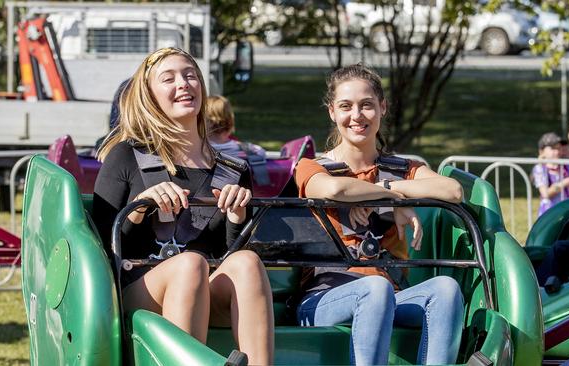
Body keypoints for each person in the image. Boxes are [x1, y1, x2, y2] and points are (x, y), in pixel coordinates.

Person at [93, 47, 273, 364]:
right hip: (139, 287)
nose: (184, 84)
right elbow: (101, 245)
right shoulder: (126, 156)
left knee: (246, 262)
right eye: (169, 78)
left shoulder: (233, 170)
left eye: (190, 75)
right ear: (149, 94)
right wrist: (138, 207)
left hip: (205, 286)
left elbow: (228, 253)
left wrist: (236, 217)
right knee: (190, 264)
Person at [294, 64, 465, 365]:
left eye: (367, 105)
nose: (357, 116)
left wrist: (389, 186)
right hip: (324, 297)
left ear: (382, 108)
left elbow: (452, 191)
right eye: (346, 106)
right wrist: (392, 198)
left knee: (445, 289)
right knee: (375, 289)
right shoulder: (312, 166)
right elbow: (334, 189)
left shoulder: (401, 169)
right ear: (332, 112)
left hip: (390, 294)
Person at [532, 132, 569, 217]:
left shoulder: (564, 166)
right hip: (550, 213)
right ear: (542, 151)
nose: (557, 151)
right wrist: (563, 183)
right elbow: (545, 194)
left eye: (559, 148)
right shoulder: (540, 169)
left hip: (566, 210)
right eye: (553, 148)